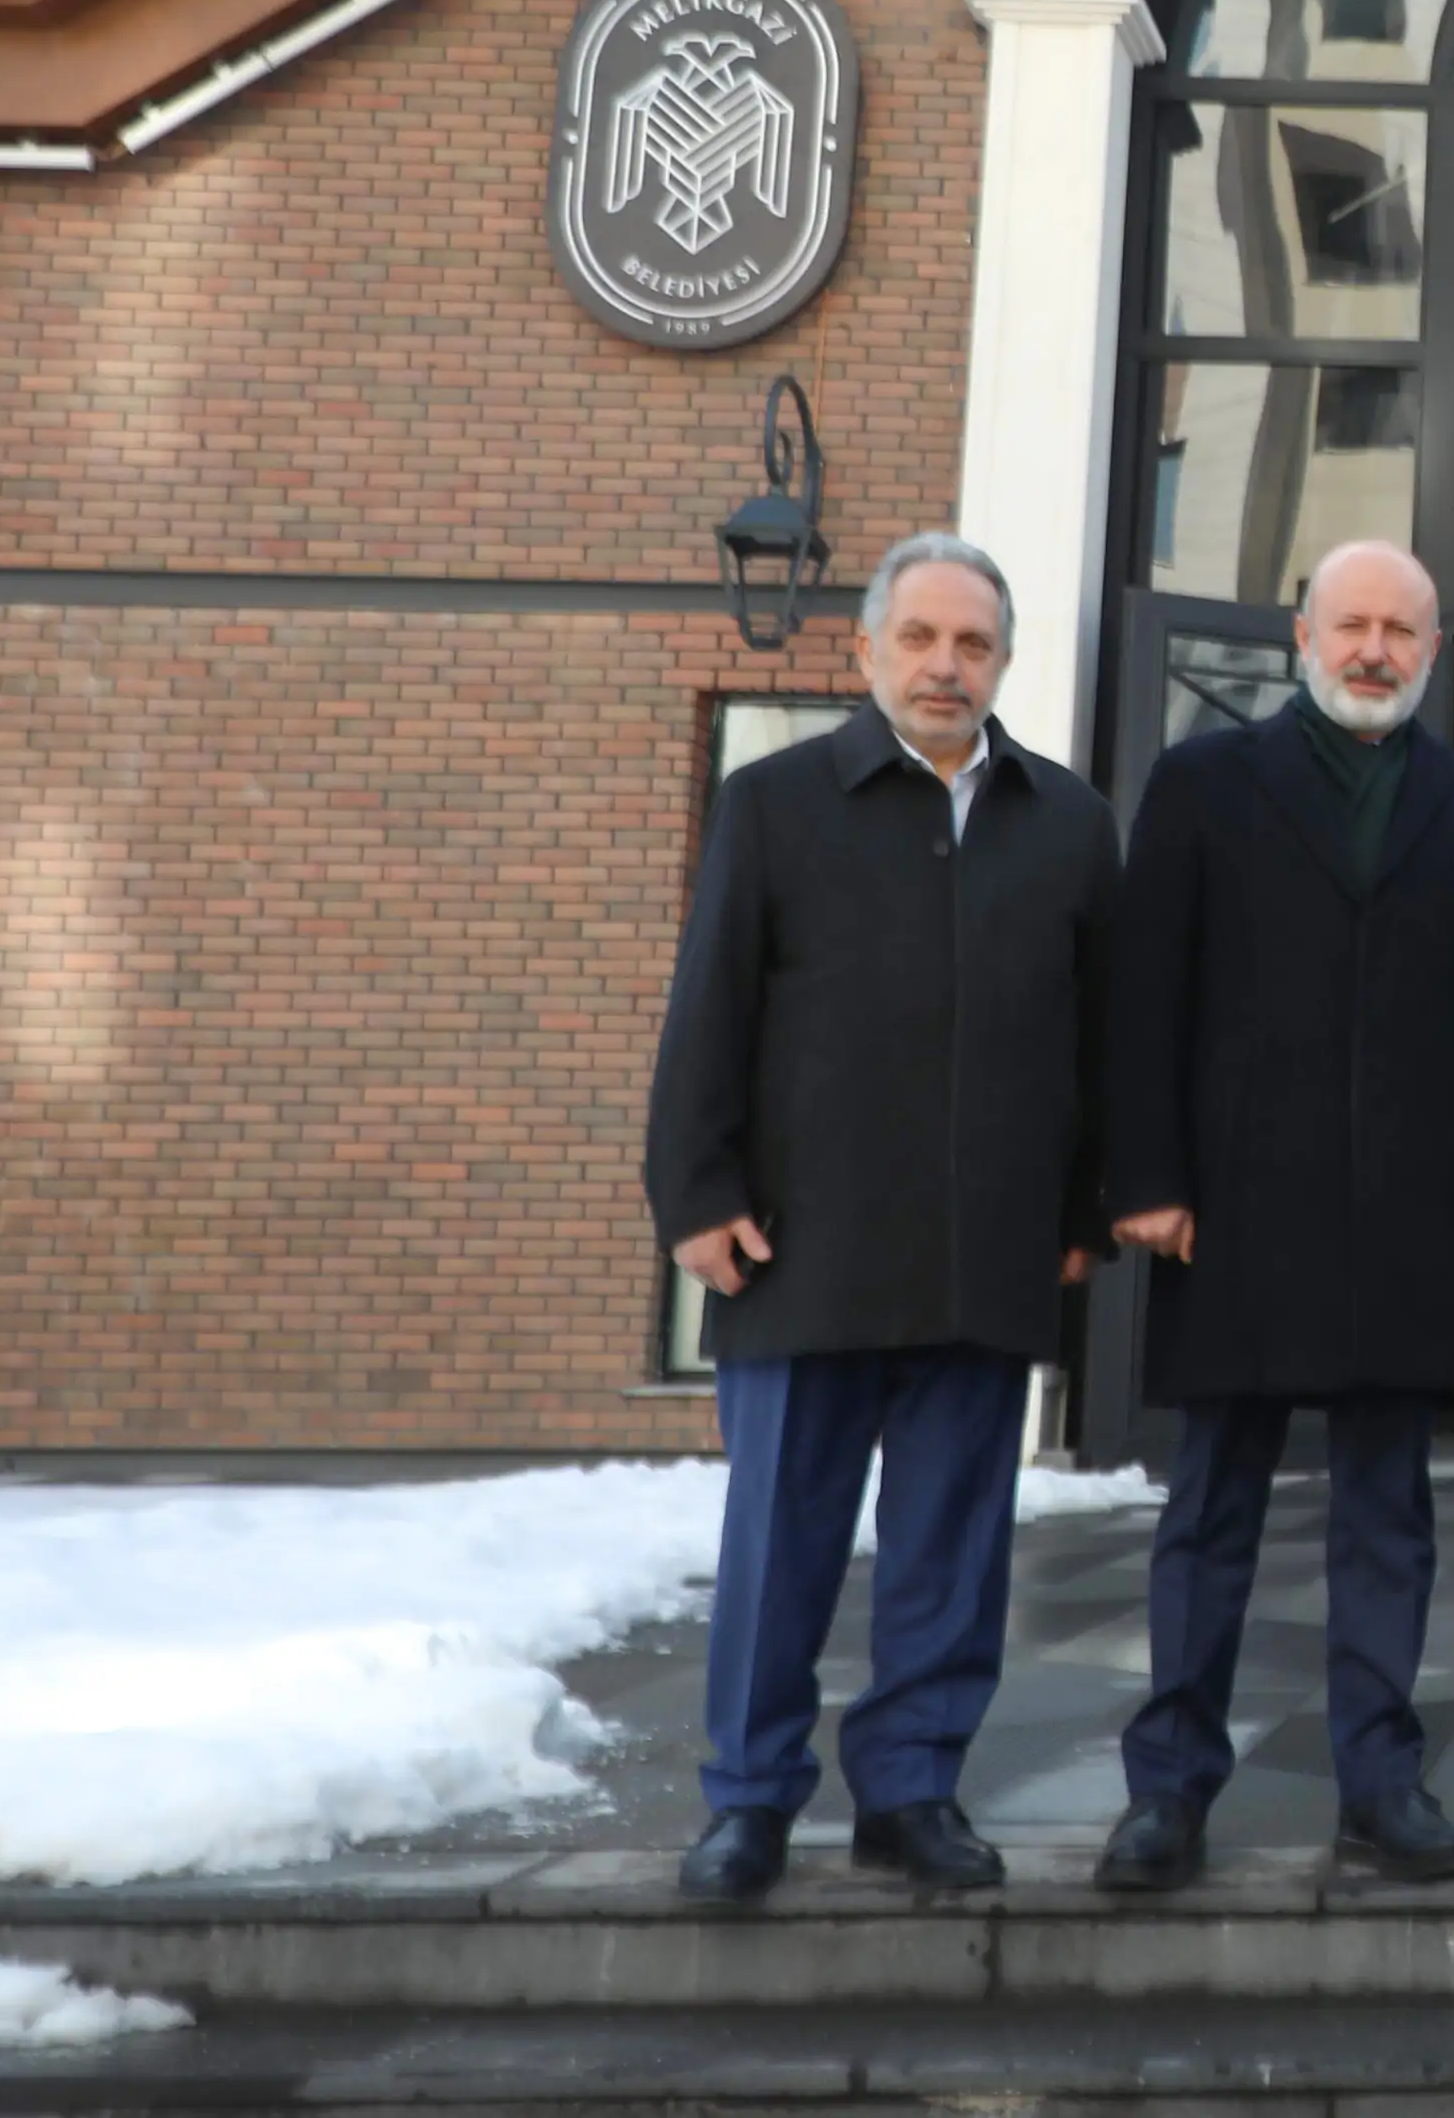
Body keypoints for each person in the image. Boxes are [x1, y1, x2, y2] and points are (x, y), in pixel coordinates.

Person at [642, 530, 1116, 1902]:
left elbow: (1101, 1042)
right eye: (919, 638)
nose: (944, 665)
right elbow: (708, 1009)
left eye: (972, 643)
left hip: (986, 1253)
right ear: (866, 651)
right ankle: (748, 1801)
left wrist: (1081, 1208)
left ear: (1005, 661)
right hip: (804, 1249)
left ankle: (912, 1790)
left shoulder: (1070, 823)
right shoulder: (776, 804)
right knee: (779, 1548)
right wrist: (697, 1195)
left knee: (951, 1554)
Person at [1094, 538, 1454, 1890]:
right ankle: (1168, 1790)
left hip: (1409, 1214)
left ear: (1431, 651)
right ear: (1302, 636)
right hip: (1234, 1205)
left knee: (1388, 1514)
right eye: (1352, 624)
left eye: (1402, 630)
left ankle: (1381, 1783)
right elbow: (1145, 993)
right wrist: (1146, 1176)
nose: (1374, 651)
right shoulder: (1202, 781)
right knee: (1210, 1509)